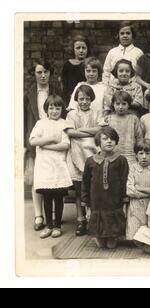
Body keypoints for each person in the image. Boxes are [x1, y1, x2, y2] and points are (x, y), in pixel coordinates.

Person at [24, 58, 62, 232]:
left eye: (46, 72)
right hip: (36, 137)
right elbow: (24, 119)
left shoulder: (57, 91)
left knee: (53, 177)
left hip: (54, 137)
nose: (43, 75)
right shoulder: (29, 94)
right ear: (34, 74)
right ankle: (39, 215)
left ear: (50, 73)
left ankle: (54, 215)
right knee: (37, 179)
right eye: (39, 72)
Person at [29, 95, 72, 239]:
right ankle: (49, 226)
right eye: (51, 108)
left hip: (58, 165)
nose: (54, 111)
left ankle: (57, 226)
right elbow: (33, 141)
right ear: (46, 109)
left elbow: (65, 145)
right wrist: (51, 139)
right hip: (44, 166)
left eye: (57, 108)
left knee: (58, 197)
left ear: (62, 110)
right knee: (47, 196)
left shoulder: (64, 124)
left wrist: (46, 146)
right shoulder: (41, 123)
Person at [82, 127, 129, 249]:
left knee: (111, 242)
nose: (109, 141)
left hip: (114, 200)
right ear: (98, 142)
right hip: (97, 200)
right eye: (105, 139)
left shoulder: (121, 160)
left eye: (112, 139)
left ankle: (113, 236)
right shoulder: (90, 161)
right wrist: (86, 203)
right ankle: (99, 236)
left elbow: (124, 181)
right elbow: (85, 183)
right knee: (101, 243)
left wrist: (124, 200)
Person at [65, 85, 103, 236]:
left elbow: (99, 131)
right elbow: (69, 132)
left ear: (91, 99)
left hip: (92, 154)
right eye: (81, 99)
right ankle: (81, 220)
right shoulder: (72, 115)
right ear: (76, 100)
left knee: (94, 189)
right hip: (76, 154)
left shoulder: (97, 113)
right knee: (80, 190)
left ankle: (93, 219)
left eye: (87, 99)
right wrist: (89, 132)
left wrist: (79, 131)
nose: (85, 102)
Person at [126, 139, 150, 240]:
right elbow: (129, 191)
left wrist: (140, 188)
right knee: (135, 235)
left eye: (147, 153)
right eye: (141, 153)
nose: (144, 157)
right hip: (135, 206)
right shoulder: (132, 169)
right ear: (136, 155)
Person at [103, 91, 144, 164]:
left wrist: (139, 153)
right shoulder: (108, 119)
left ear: (129, 105)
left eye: (124, 104)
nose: (120, 107)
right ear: (113, 104)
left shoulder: (133, 119)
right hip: (112, 155)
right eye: (117, 104)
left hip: (130, 155)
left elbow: (139, 138)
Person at [60, 35, 89, 103]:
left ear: (87, 49)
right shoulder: (68, 65)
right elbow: (63, 84)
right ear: (73, 49)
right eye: (78, 48)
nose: (81, 50)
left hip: (86, 98)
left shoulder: (90, 64)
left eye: (83, 48)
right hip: (70, 98)